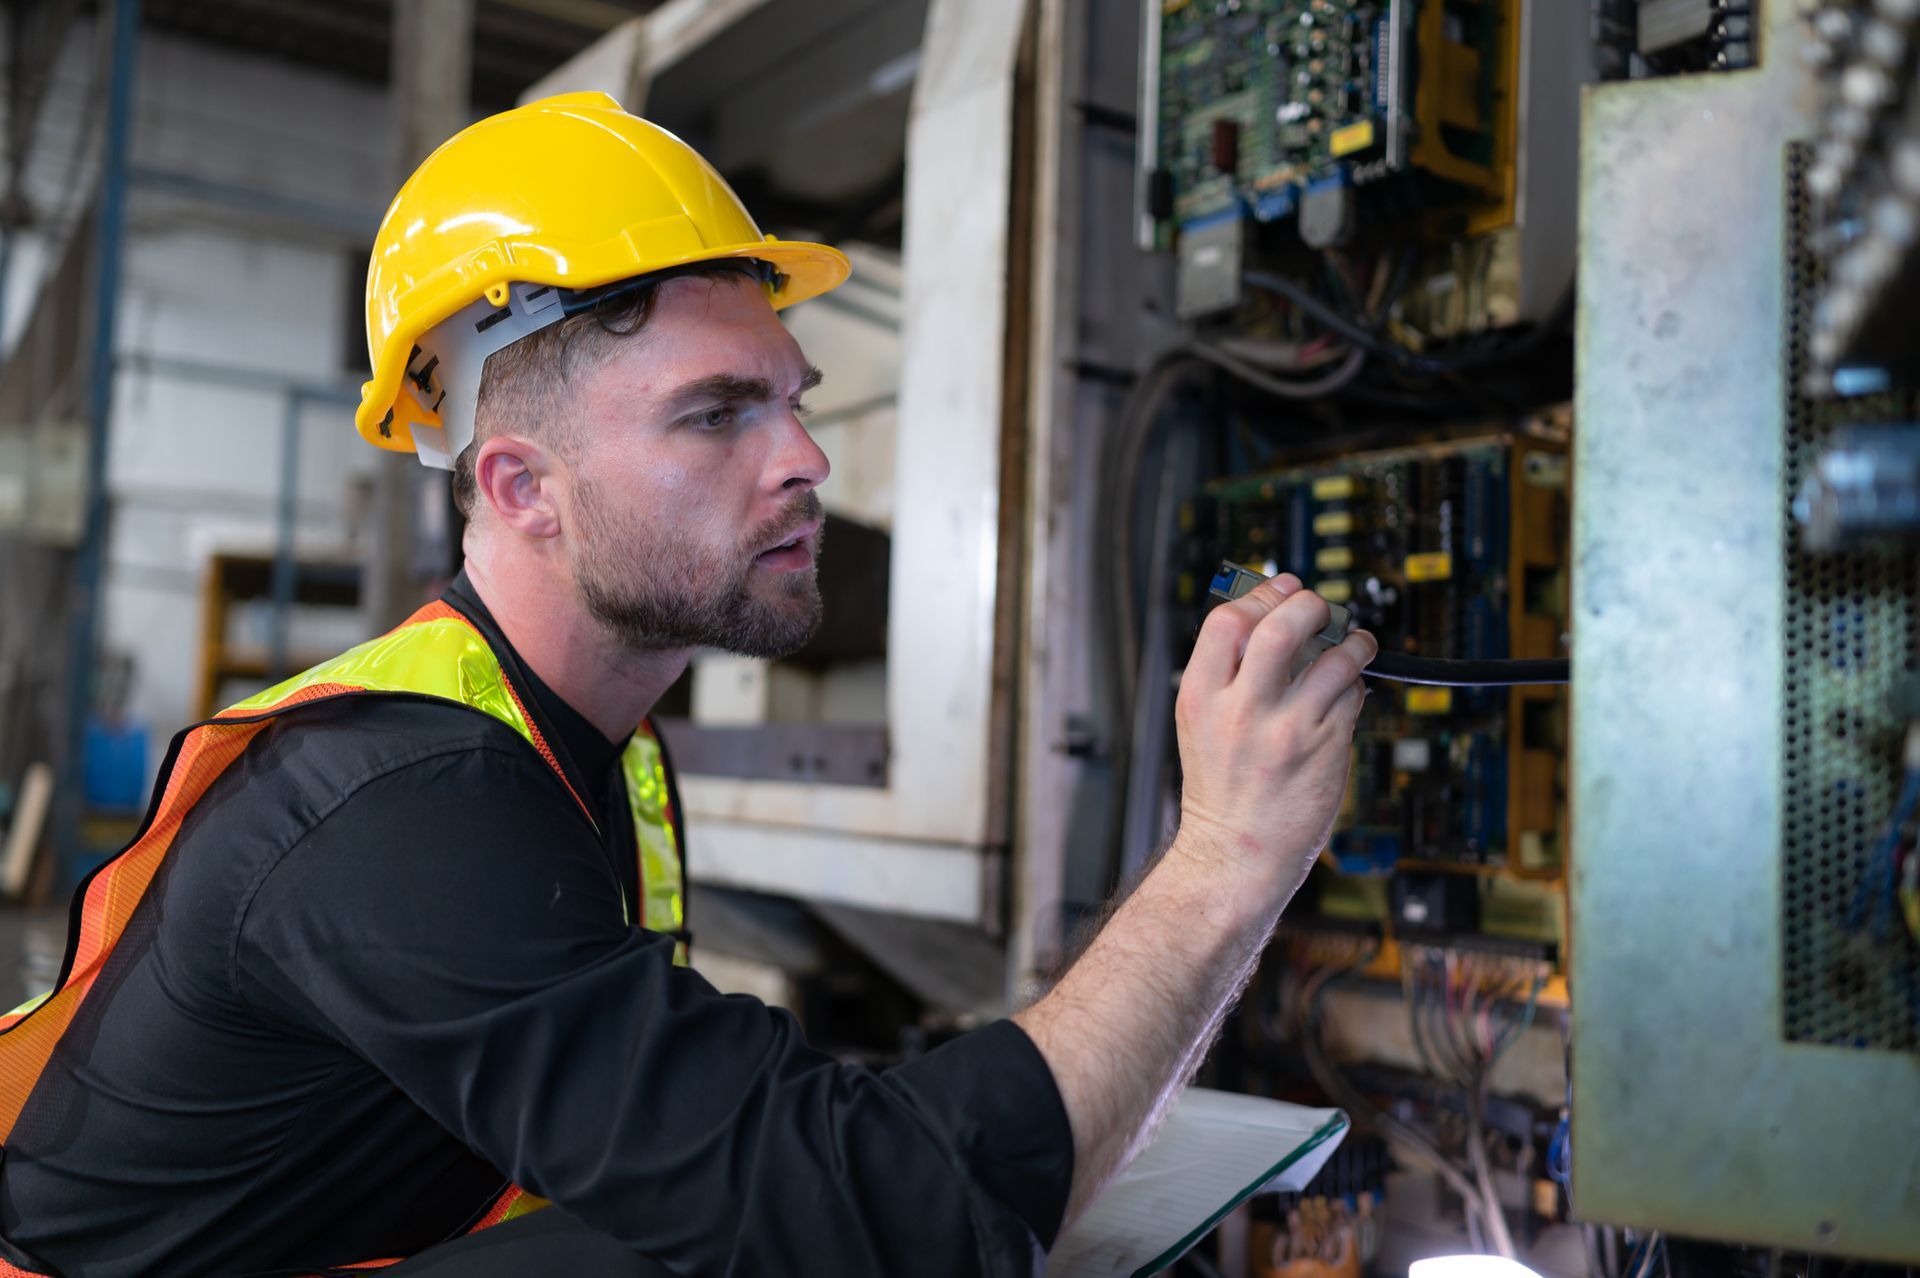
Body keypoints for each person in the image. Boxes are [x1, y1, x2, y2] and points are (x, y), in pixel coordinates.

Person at [0, 94, 1375, 1277]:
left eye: (792, 398)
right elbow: (876, 1221)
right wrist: (1230, 857)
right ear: (520, 486)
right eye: (718, 413)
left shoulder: (572, 741)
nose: (804, 461)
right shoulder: (402, 809)